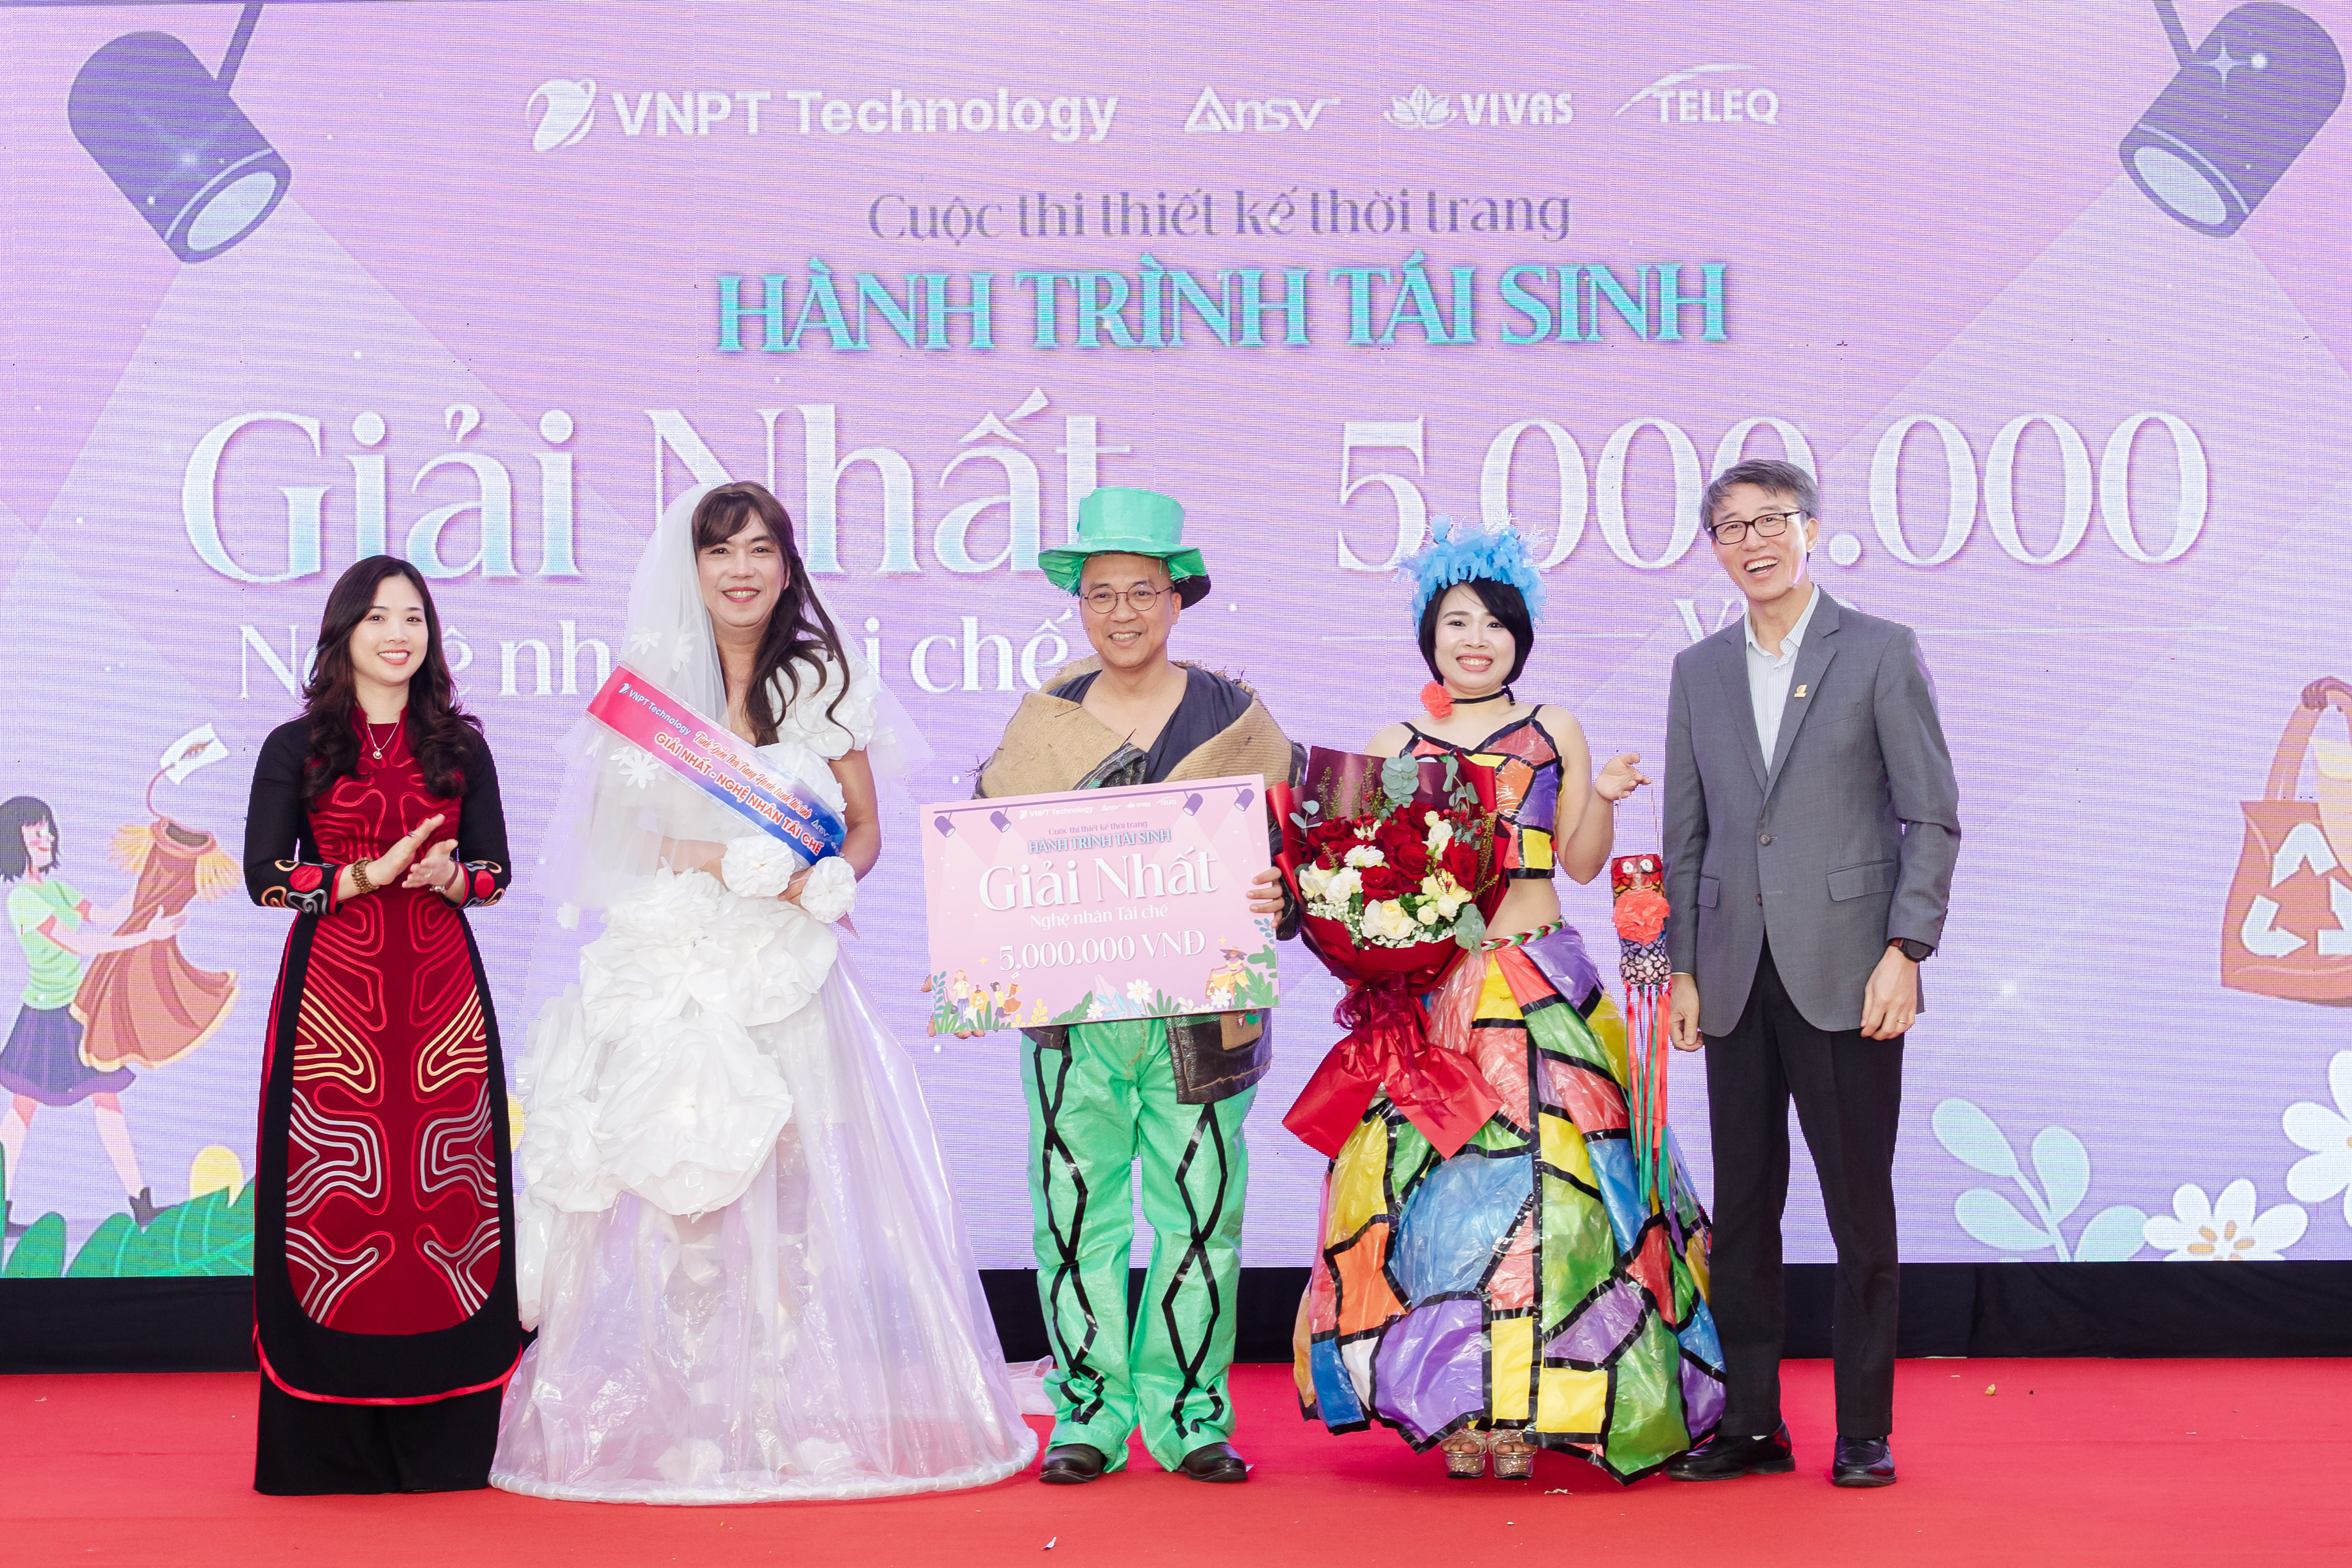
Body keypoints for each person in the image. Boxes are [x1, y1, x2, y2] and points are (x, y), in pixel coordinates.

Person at [491, 480, 1034, 1503]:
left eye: (759, 549)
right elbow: (616, 834)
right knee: (686, 1191)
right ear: (692, 567)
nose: (740, 570)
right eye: (720, 551)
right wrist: (723, 860)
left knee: (793, 1196)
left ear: (787, 565)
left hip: (788, 965)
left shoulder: (824, 680)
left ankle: (784, 1409)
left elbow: (863, 827)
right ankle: (696, 1411)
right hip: (681, 962)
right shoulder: (650, 689)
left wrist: (835, 877)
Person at [1294, 518, 1723, 1483]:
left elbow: (1581, 862)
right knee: (1439, 1200)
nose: (1475, 638)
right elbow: (1357, 885)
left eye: (1494, 622)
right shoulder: (1391, 744)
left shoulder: (1553, 726)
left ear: (1520, 638)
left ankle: (1535, 1405)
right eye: (1456, 622)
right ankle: (1456, 1402)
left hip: (1543, 983)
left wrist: (1602, 794)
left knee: (1564, 1190)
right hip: (1440, 1000)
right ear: (1429, 637)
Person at [973, 485, 1298, 1485]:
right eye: (1102, 593)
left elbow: (1295, 861)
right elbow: (987, 864)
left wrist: (1278, 891)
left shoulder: (1236, 716)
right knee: (1076, 1214)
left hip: (1202, 1017)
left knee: (1201, 1214)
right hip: (1074, 1022)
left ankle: (1192, 1416)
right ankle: (1089, 1413)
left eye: (1143, 591)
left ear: (1177, 595)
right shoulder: (1044, 722)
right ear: (1079, 603)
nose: (1122, 612)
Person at [1659, 459, 1959, 1490]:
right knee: (1743, 1210)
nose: (1753, 541)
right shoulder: (1696, 670)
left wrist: (1906, 951)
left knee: (1858, 1210)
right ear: (1713, 547)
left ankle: (1864, 1427)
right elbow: (1686, 837)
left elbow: (1931, 817)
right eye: (1731, 527)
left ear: (1811, 529)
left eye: (1771, 520)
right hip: (1733, 974)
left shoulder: (1878, 650)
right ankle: (1752, 1422)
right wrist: (1682, 969)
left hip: (1850, 971)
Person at [243, 556, 519, 1495]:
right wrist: (366, 873)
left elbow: (495, 872)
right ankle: (331, 1441)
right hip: (336, 1003)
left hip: (442, 1001)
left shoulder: (461, 747)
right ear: (343, 632)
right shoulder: (298, 746)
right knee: (331, 1195)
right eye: (377, 617)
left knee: (448, 1195)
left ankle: (452, 1439)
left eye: (414, 618)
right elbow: (265, 878)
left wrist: (454, 878)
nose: (399, 634)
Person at [0, 797, 185, 1236]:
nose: (46, 838)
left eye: (48, 829)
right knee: (23, 1108)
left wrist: (152, 869)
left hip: (78, 1012)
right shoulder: (22, 898)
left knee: (106, 1098)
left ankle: (142, 1205)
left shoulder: (57, 889)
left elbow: (105, 916)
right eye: (34, 831)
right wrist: (147, 936)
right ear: (13, 840)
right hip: (44, 1018)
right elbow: (80, 944)